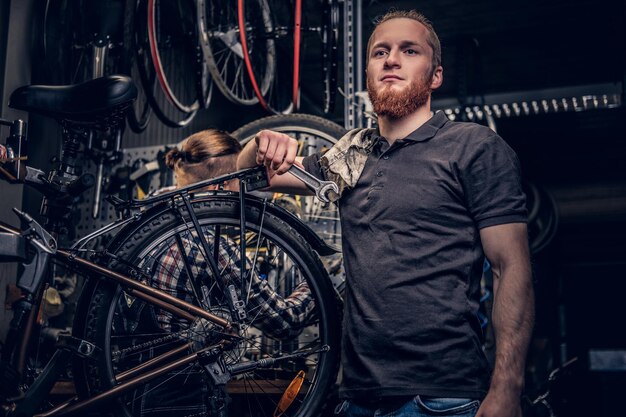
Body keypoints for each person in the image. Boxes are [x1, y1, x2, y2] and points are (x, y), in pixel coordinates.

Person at [237, 9, 534, 417]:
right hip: (354, 400)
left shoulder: (474, 147)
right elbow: (245, 181)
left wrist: (507, 388)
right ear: (369, 74)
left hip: (441, 398)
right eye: (380, 52)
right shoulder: (348, 160)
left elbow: (510, 267)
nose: (391, 59)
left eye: (408, 50)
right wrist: (260, 144)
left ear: (436, 76)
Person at [135, 129, 315, 417]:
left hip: (122, 389)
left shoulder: (141, 220)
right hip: (183, 401)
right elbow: (284, 322)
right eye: (240, 181)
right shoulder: (211, 246)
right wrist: (320, 282)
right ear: (222, 185)